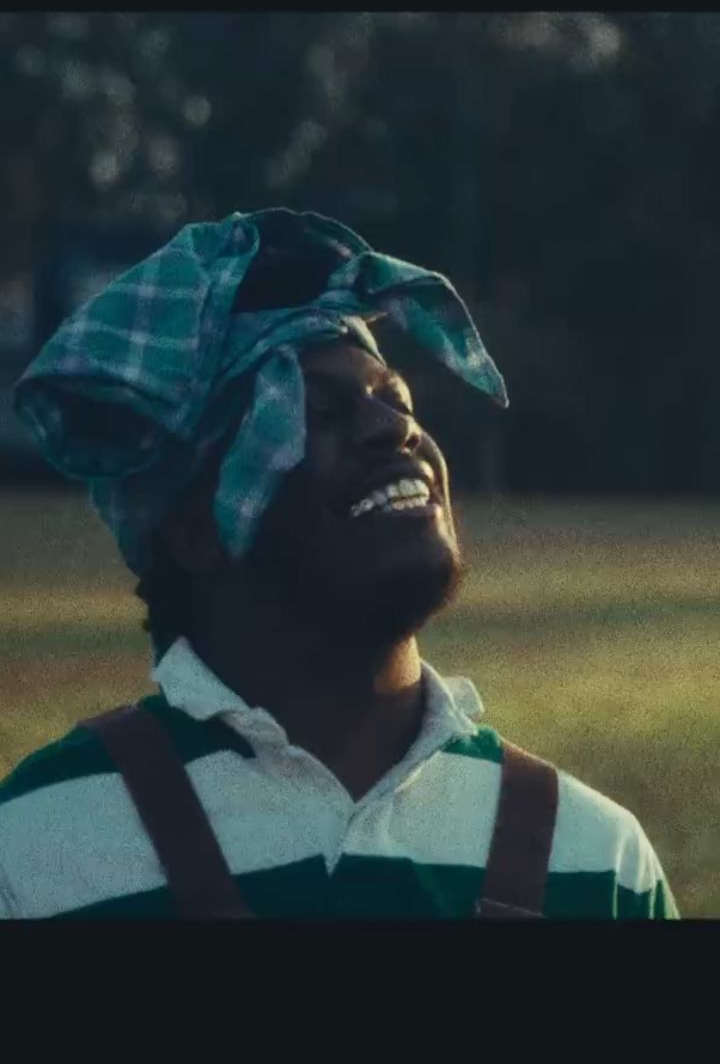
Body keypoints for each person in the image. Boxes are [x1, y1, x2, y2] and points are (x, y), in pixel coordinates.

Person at [0, 208, 679, 919]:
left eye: (395, 398)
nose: (396, 428)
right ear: (195, 528)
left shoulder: (599, 862)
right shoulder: (39, 852)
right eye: (318, 413)